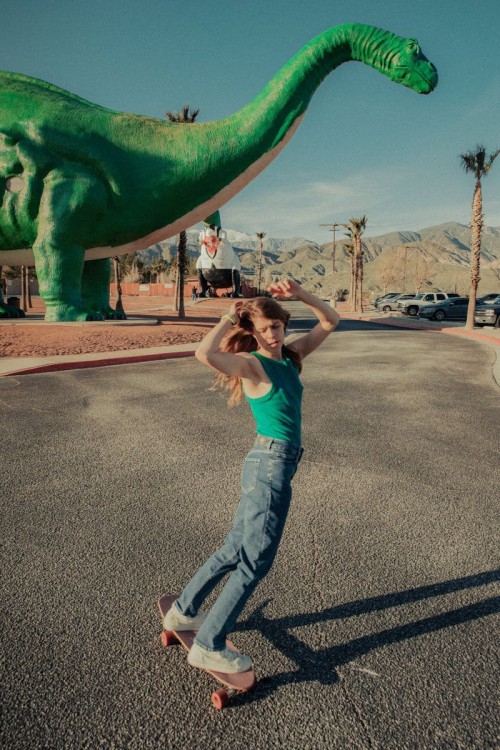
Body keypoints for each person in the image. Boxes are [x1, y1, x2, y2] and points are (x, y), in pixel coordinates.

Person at [163, 278, 340, 673]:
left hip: (270, 463)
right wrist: (228, 317)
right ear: (253, 333)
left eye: (275, 326)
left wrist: (301, 294)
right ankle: (208, 644)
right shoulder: (252, 364)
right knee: (255, 561)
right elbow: (203, 353)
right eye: (262, 330)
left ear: (283, 323)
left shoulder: (291, 357)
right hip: (270, 466)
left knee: (234, 549)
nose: (271, 335)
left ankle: (182, 612)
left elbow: (330, 320)